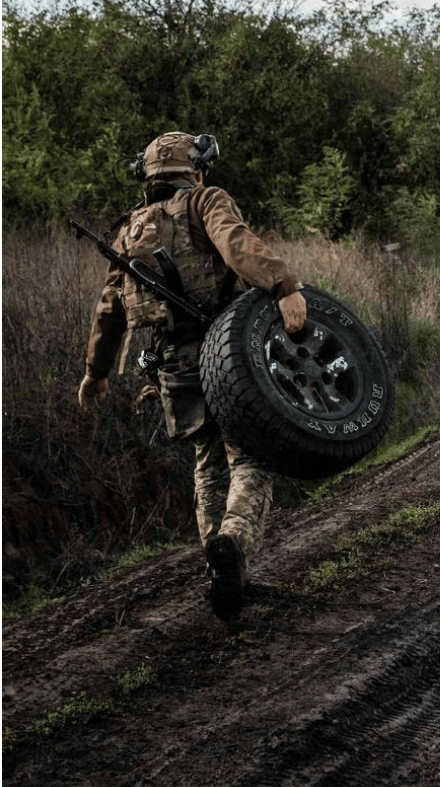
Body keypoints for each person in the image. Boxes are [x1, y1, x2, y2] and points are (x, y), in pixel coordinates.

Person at [77, 131, 307, 623]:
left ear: (150, 177)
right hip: (226, 352)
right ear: (194, 169)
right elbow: (237, 244)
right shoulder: (205, 200)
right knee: (249, 457)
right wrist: (284, 286)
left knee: (206, 461)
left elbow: (108, 309)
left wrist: (96, 373)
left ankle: (220, 569)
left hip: (170, 363)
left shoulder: (128, 230)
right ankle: (233, 546)